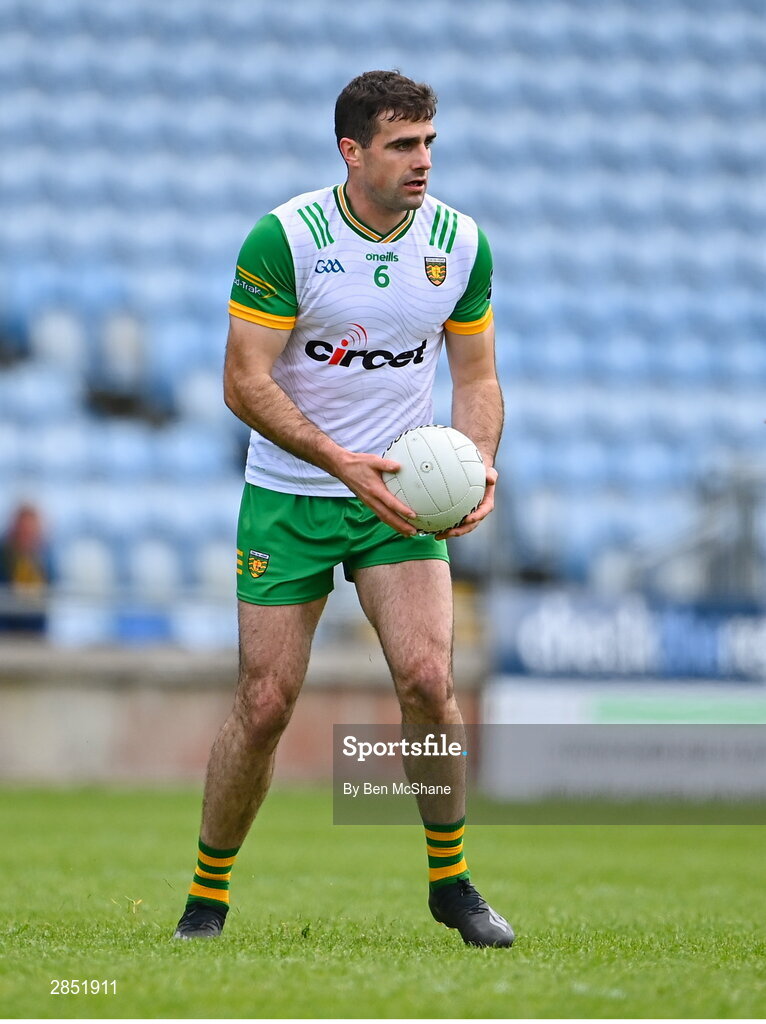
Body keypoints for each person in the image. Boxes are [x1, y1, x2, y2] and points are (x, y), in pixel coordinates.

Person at [173, 70, 513, 948]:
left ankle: (453, 885)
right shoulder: (286, 238)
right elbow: (241, 382)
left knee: (430, 682)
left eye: (430, 141)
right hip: (290, 493)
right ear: (351, 151)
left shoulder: (461, 245)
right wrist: (335, 461)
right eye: (403, 145)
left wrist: (478, 464)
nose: (423, 161)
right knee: (265, 700)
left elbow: (475, 379)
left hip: (396, 503)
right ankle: (207, 899)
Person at [0, 503, 53, 634]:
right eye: (23, 531)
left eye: (31, 531)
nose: (27, 536)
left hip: (35, 633)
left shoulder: (44, 561)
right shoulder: (4, 559)